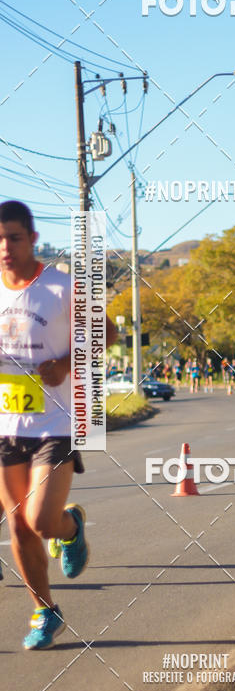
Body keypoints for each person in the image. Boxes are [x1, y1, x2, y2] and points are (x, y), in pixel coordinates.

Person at [0, 200, 117, 649]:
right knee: (18, 527)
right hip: (7, 426)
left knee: (42, 521)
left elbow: (106, 333)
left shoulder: (61, 288)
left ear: (31, 239)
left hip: (54, 424)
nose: (6, 247)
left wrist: (66, 363)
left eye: (14, 237)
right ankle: (44, 612)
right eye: (0, 239)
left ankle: (70, 527)